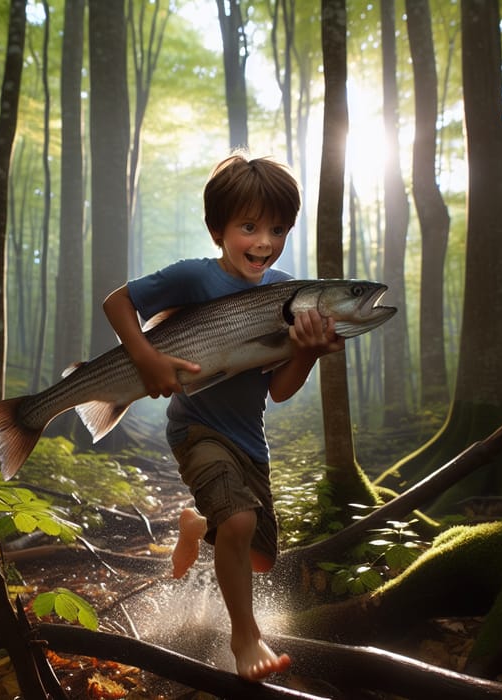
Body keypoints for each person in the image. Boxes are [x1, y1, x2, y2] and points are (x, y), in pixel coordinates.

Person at [102, 152, 345, 681]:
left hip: (249, 440)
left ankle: (195, 524)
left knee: (257, 557)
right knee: (238, 522)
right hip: (196, 428)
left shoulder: (289, 296)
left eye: (277, 229)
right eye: (249, 226)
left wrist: (304, 352)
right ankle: (245, 637)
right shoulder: (194, 276)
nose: (264, 241)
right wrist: (147, 359)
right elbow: (117, 302)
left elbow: (278, 391)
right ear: (218, 229)